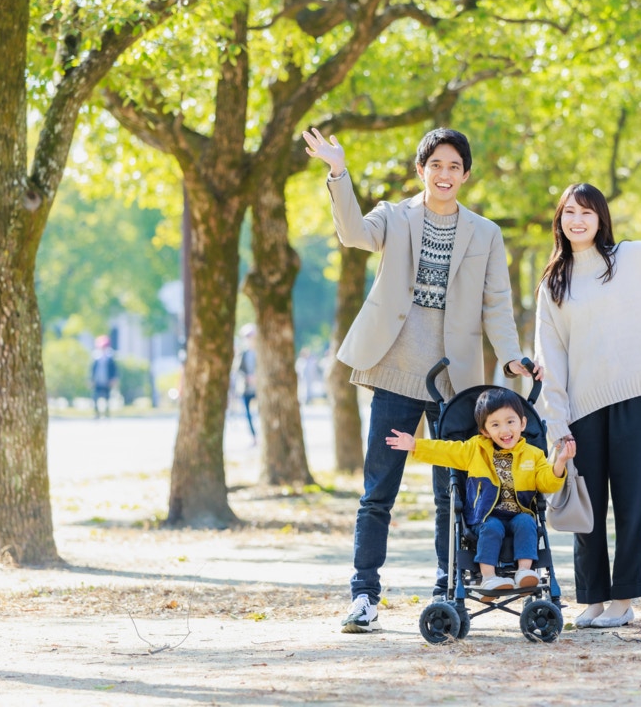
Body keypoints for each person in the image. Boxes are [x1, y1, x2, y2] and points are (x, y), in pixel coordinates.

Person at [304, 125, 541, 634]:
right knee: (378, 489)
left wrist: (512, 358)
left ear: (466, 175)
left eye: (455, 166)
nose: (445, 174)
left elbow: (497, 304)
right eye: (436, 165)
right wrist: (338, 171)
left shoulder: (486, 232)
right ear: (421, 171)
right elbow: (352, 233)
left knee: (451, 491)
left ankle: (445, 587)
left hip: (456, 385)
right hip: (394, 368)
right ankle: (364, 594)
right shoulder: (394, 216)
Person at [534, 155, 641, 629]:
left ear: (601, 218)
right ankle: (591, 598)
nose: (577, 220)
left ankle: (624, 600)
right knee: (585, 506)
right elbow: (552, 356)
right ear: (559, 221)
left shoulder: (636, 257)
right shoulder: (554, 283)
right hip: (583, 407)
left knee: (631, 502)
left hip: (634, 400)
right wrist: (557, 420)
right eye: (569, 212)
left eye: (587, 212)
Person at [385, 388, 575, 598]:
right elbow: (446, 450)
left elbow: (547, 483)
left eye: (510, 422)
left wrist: (560, 462)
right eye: (495, 425)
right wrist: (415, 445)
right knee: (492, 526)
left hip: (518, 513)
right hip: (485, 515)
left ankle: (524, 572)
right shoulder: (475, 450)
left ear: (522, 423)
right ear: (485, 431)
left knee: (527, 522)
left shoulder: (534, 455)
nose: (505, 430)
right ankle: (489, 577)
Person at [232, 325, 258, 444]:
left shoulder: (260, 352)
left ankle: (261, 436)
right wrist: (247, 378)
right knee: (247, 414)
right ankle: (254, 437)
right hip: (245, 388)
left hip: (258, 387)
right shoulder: (242, 353)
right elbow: (238, 369)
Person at [89, 335, 119, 418]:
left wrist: (114, 379)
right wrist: (91, 379)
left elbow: (114, 370)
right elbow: (92, 370)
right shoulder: (96, 357)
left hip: (107, 380)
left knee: (107, 397)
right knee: (95, 397)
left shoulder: (110, 358)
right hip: (98, 380)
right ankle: (97, 413)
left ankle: (106, 412)